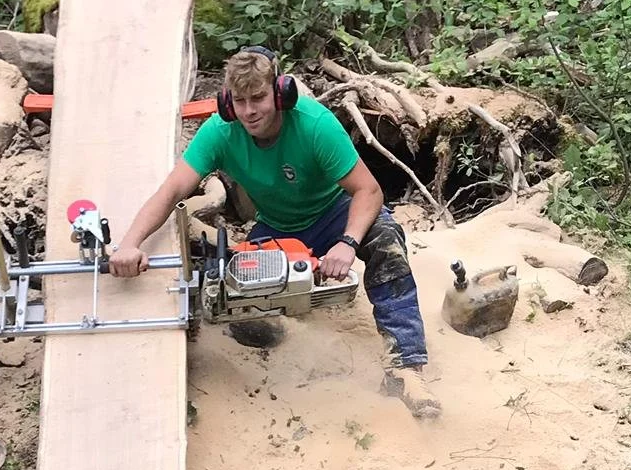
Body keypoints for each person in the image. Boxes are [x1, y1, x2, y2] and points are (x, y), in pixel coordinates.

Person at [109, 46, 439, 419]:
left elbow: (369, 191)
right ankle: (294, 348)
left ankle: (406, 366)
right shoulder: (219, 131)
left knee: (385, 237)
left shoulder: (314, 124)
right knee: (236, 297)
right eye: (240, 101)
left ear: (280, 93)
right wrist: (129, 244)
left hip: (334, 212)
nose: (249, 111)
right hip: (277, 228)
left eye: (258, 98)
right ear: (227, 102)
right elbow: (171, 191)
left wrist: (347, 242)